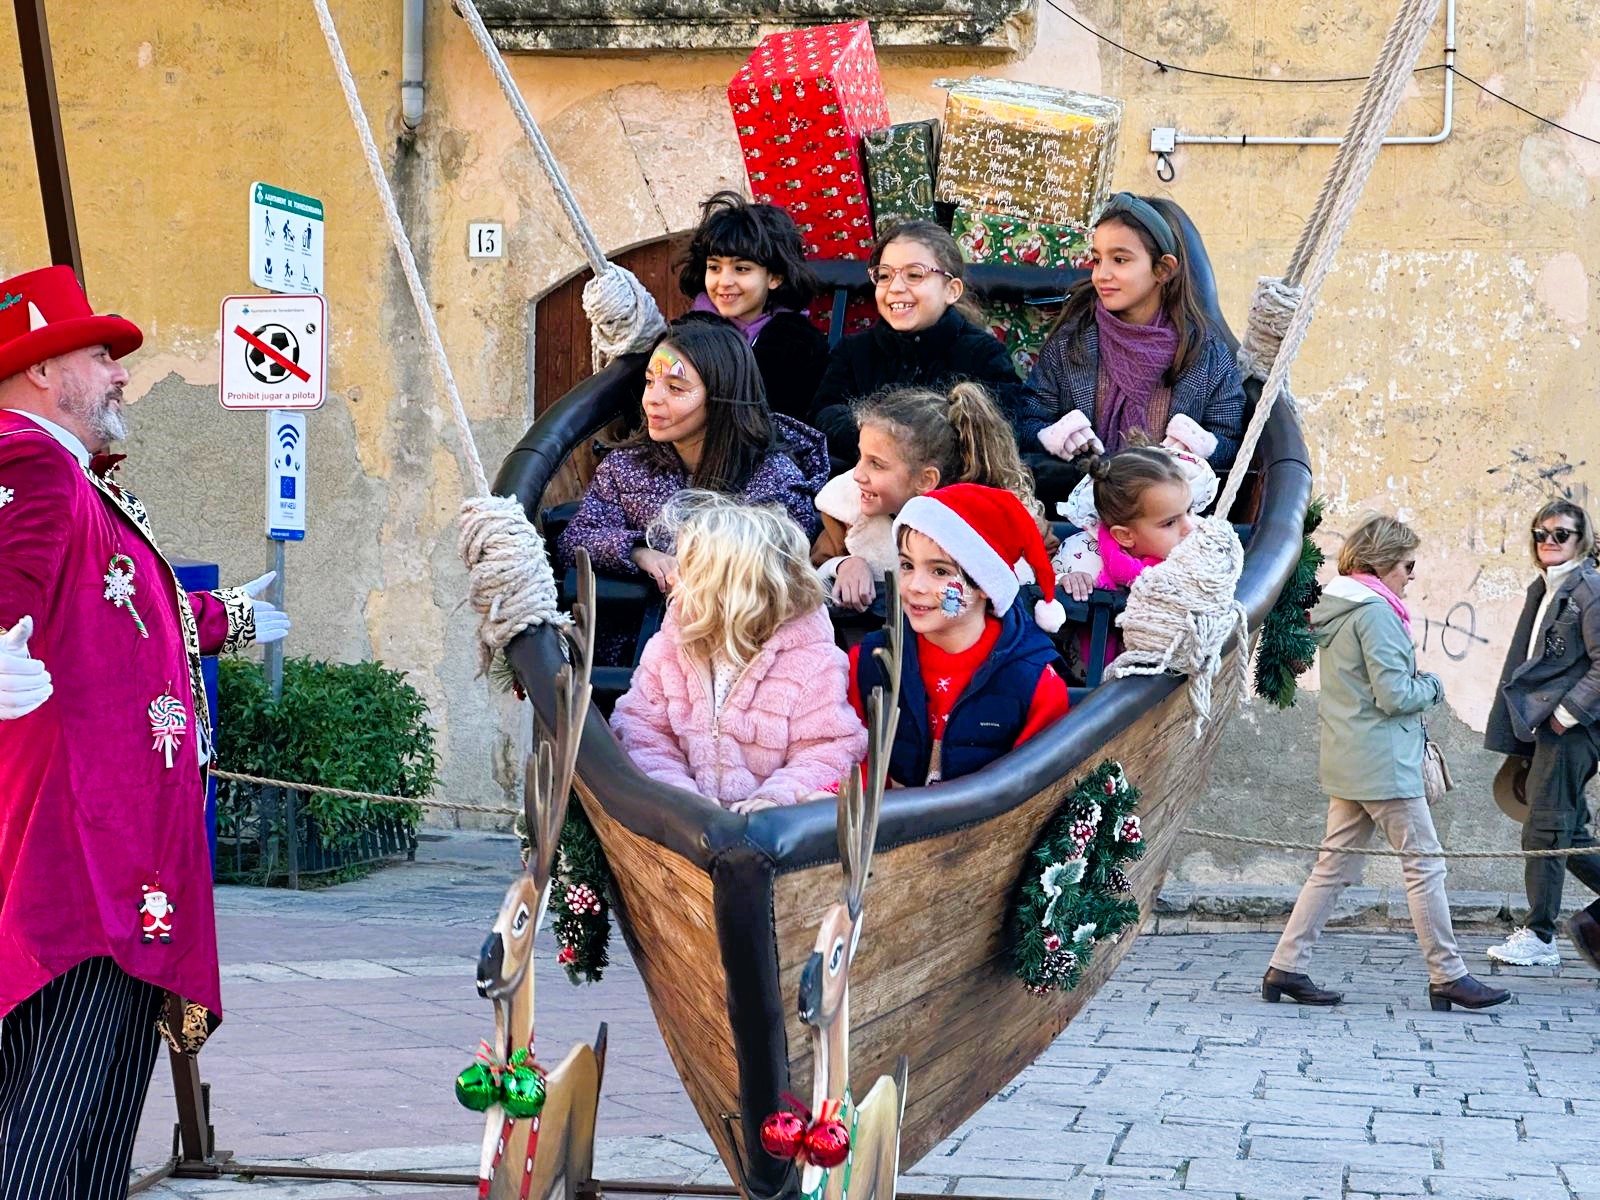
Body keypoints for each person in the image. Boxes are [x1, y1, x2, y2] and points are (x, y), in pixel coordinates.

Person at [0, 265, 289, 1197]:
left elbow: (118, 616)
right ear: (42, 371)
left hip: (120, 858)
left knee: (89, 1138)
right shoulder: (26, 455)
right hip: (80, 863)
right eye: (100, 354)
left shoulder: (68, 474)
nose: (122, 373)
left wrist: (224, 618)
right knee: (50, 1128)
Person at [1263, 514, 1508, 1012]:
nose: (1411, 575)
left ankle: (1285, 967)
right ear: (1382, 563)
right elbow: (1395, 695)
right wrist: (1435, 686)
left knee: (1331, 869)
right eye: (1408, 565)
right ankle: (1449, 976)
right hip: (1383, 762)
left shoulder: (1340, 605)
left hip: (1351, 755)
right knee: (1425, 866)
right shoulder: (1375, 612)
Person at [610, 492, 865, 813]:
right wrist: (680, 797)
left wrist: (777, 800)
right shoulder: (671, 649)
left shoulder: (811, 662)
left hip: (773, 836)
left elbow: (827, 750)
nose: (677, 582)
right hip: (686, 827)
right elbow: (644, 733)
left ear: (739, 596)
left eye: (692, 576)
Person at [558, 320, 830, 595]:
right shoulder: (625, 466)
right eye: (650, 381)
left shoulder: (776, 480)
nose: (652, 398)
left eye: (676, 388)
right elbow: (574, 541)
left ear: (721, 396)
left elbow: (781, 573)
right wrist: (639, 552)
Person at [1013, 193, 1246, 507]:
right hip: (1082, 516)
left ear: (1163, 270)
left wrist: (1203, 446)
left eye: (1120, 260)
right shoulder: (1071, 344)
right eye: (1097, 259)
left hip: (1170, 523)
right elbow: (1027, 421)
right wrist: (1052, 436)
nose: (1101, 274)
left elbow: (1230, 442)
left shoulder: (1207, 356)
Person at [850, 483, 1070, 787]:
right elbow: (851, 761)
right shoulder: (869, 661)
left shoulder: (1034, 684)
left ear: (983, 584)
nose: (915, 585)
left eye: (939, 571)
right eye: (906, 565)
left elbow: (1033, 792)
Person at [812, 381, 1051, 613]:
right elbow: (812, 569)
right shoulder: (847, 514)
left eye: (876, 464)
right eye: (861, 457)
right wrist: (843, 565)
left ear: (925, 480)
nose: (858, 475)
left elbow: (1048, 560)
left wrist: (1071, 575)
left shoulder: (1000, 517)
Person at [1483, 500, 1600, 971]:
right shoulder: (1549, 586)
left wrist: (1566, 714)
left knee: (1546, 830)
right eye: (1540, 533)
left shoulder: (1588, 590)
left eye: (1561, 534)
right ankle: (1539, 930)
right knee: (1567, 832)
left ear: (1582, 539)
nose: (1548, 542)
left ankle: (1539, 935)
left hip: (1572, 730)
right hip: (1548, 727)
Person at [807, 220, 1020, 473]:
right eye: (884, 275)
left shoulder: (983, 355)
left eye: (914, 275)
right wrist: (878, 441)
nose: (895, 288)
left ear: (951, 290)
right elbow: (823, 415)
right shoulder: (854, 351)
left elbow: (999, 434)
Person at [1050, 435, 1215, 681]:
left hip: (1166, 673)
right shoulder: (1084, 555)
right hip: (1091, 676)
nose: (1189, 526)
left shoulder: (1194, 547)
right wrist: (1067, 580)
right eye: (1170, 522)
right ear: (1125, 536)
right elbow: (1044, 596)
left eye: (1189, 510)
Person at [673, 190, 829, 424]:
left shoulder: (799, 344)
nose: (724, 282)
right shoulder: (685, 335)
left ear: (774, 277)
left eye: (741, 269)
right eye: (714, 268)